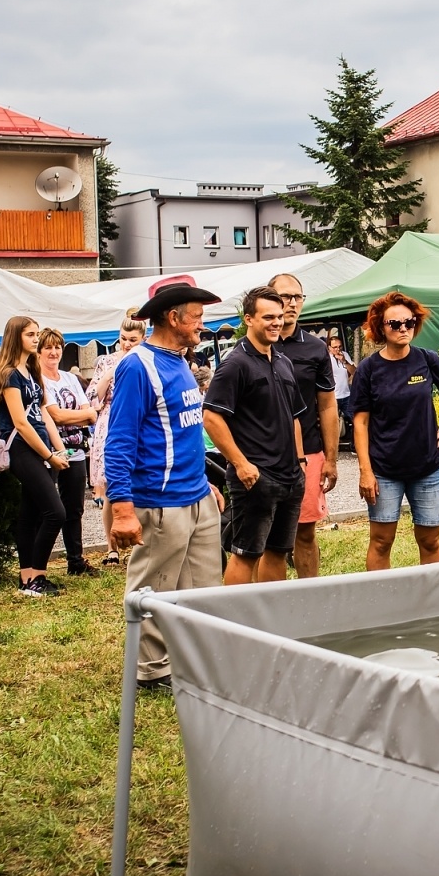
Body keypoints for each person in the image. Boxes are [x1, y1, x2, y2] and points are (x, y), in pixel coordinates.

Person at [107, 276, 225, 691]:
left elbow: (185, 432)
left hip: (196, 497)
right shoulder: (137, 366)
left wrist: (205, 483)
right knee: (154, 590)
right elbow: (119, 441)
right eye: (196, 317)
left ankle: (194, 661)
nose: (201, 325)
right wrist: (122, 510)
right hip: (159, 503)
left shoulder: (179, 361)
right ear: (173, 318)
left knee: (204, 590)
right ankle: (151, 671)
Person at [353, 293, 439, 570]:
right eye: (395, 323)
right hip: (384, 470)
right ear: (381, 327)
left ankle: (431, 604)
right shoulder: (369, 369)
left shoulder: (426, 360)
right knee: (381, 541)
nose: (403, 328)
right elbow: (360, 422)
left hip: (427, 468)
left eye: (410, 322)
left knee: (430, 541)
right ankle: (383, 605)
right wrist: (366, 471)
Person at [205, 286, 307, 585]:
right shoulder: (235, 364)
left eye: (279, 316)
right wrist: (240, 464)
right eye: (268, 317)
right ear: (249, 319)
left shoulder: (283, 361)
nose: (276, 323)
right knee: (246, 553)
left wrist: (300, 461)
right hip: (256, 477)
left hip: (290, 476)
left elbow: (294, 416)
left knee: (277, 551)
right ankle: (234, 624)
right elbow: (211, 418)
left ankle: (268, 619)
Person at [0, 317, 69, 597]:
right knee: (55, 512)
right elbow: (20, 422)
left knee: (30, 512)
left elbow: (42, 414)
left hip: (39, 447)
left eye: (36, 334)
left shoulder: (30, 370)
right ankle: (38, 577)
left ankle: (27, 578)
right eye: (30, 335)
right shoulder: (10, 374)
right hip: (21, 447)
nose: (36, 339)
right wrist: (50, 455)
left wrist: (57, 449)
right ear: (15, 337)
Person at [269, 272, 338, 579]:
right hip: (265, 454)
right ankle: (271, 603)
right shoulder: (254, 346)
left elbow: (327, 405)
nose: (292, 303)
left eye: (298, 297)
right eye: (285, 297)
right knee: (268, 538)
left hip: (309, 452)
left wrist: (331, 459)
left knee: (305, 532)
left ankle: (311, 598)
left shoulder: (314, 348)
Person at [37, 330, 99, 578]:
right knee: (49, 509)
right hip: (49, 451)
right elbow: (56, 415)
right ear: (39, 351)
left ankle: (75, 559)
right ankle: (39, 563)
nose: (53, 353)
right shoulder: (39, 380)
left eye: (57, 348)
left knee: (74, 508)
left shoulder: (70, 379)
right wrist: (80, 416)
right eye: (48, 348)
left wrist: (79, 416)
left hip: (76, 449)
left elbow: (91, 413)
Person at [88, 309, 146, 566]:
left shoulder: (146, 360)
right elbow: (93, 397)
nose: (126, 343)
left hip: (138, 422)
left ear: (143, 338)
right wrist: (111, 372)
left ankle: (137, 546)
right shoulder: (106, 361)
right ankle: (111, 549)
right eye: (123, 337)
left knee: (137, 485)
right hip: (110, 422)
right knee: (111, 487)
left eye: (132, 339)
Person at [329, 334, 355, 430]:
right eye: (335, 347)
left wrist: (344, 361)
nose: (338, 349)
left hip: (346, 395)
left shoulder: (345, 355)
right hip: (333, 397)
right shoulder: (327, 358)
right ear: (329, 348)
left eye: (339, 347)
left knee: (355, 419)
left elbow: (354, 372)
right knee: (333, 424)